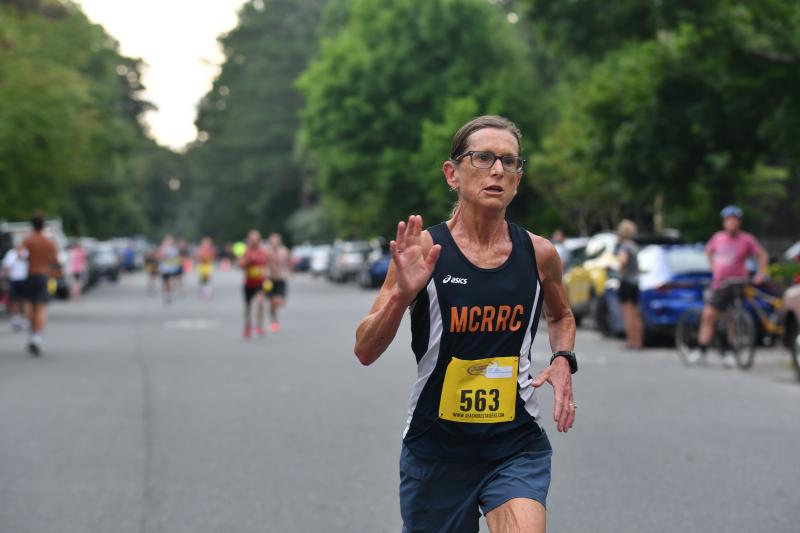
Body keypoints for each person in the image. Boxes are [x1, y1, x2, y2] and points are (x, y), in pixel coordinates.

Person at [354, 116, 577, 533]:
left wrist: (563, 358)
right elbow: (365, 349)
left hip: (514, 444)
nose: (497, 170)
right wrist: (401, 295)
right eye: (483, 158)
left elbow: (561, 314)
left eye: (509, 162)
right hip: (437, 449)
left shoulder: (540, 254)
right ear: (452, 174)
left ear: (517, 179)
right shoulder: (425, 250)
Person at [688, 205, 769, 367]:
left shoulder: (747, 239)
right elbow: (708, 251)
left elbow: (762, 255)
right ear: (724, 222)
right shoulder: (718, 238)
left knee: (733, 316)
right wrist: (713, 267)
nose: (732, 223)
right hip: (720, 283)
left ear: (739, 222)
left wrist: (761, 273)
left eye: (735, 220)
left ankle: (730, 350)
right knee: (709, 314)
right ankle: (701, 349)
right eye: (729, 220)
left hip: (737, 283)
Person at [21, 213, 58, 355]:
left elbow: (20, 255)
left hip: (30, 274)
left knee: (29, 305)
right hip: (43, 275)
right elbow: (55, 259)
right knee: (41, 307)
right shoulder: (48, 241)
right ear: (43, 225)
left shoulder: (28, 240)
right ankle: (37, 338)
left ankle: (32, 334)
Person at [616, 220, 643, 349]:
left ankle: (630, 341)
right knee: (636, 313)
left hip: (626, 281)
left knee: (627, 313)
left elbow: (623, 261)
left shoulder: (624, 246)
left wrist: (620, 272)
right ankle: (638, 341)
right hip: (636, 282)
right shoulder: (634, 246)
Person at [239, 230, 268, 339]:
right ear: (249, 240)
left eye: (256, 240)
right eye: (252, 240)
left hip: (260, 281)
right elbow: (240, 265)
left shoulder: (263, 251)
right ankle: (247, 325)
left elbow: (267, 263)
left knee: (260, 302)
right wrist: (248, 261)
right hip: (248, 282)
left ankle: (259, 325)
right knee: (248, 306)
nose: (254, 242)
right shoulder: (246, 251)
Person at [265, 233, 290, 332]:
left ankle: (274, 315)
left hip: (280, 279)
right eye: (272, 242)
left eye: (276, 241)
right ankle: (274, 321)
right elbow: (263, 263)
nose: (274, 244)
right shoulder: (266, 252)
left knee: (280, 302)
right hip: (269, 280)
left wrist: (291, 272)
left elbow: (289, 262)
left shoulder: (284, 251)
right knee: (271, 302)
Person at [2, 244, 29, 332]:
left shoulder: (27, 253)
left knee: (25, 300)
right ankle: (15, 318)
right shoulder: (11, 254)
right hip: (14, 279)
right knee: (14, 300)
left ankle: (25, 319)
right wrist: (6, 280)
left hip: (25, 279)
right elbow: (7, 267)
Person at [157, 236, 181, 304]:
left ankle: (169, 295)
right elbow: (159, 257)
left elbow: (176, 258)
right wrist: (162, 256)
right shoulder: (162, 248)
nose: (168, 242)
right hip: (164, 268)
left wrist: (177, 264)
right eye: (167, 241)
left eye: (170, 241)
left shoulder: (174, 249)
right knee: (165, 282)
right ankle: (166, 295)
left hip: (172, 268)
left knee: (170, 281)